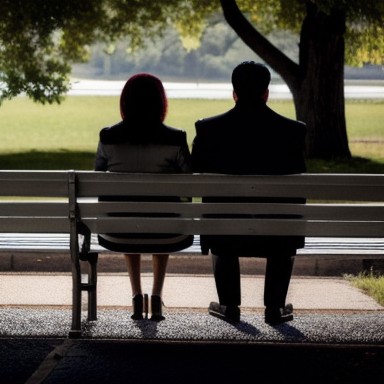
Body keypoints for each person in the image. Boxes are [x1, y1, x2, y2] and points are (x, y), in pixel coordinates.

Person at [191, 62, 306, 325]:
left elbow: (195, 175)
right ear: (266, 93)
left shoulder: (209, 129)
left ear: (234, 92)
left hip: (225, 231)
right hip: (278, 232)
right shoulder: (293, 131)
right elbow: (298, 185)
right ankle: (274, 307)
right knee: (282, 221)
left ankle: (229, 304)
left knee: (221, 218)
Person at [94, 73, 192, 321]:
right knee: (164, 213)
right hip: (168, 232)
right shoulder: (176, 138)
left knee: (126, 213)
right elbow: (189, 182)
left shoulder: (108, 137)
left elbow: (97, 179)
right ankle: (157, 296)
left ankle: (137, 296)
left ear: (125, 102)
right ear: (161, 102)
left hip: (118, 231)